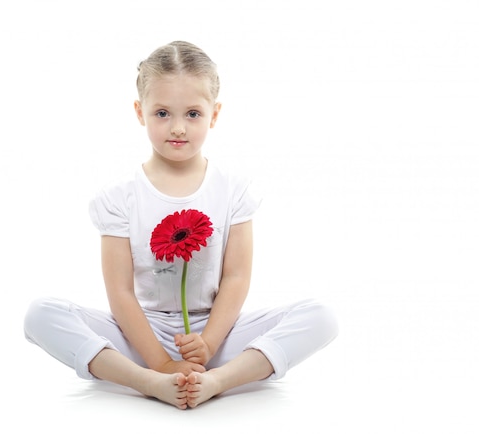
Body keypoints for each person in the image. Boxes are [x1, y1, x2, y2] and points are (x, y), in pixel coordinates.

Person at [24, 41, 338, 409]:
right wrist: (161, 362)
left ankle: (219, 379)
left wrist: (208, 344)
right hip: (141, 334)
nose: (177, 128)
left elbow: (236, 277)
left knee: (321, 317)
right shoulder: (118, 198)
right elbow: (121, 292)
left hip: (217, 333)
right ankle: (149, 381)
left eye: (192, 113)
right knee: (40, 314)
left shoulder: (233, 191)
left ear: (214, 114)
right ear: (140, 112)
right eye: (161, 113)